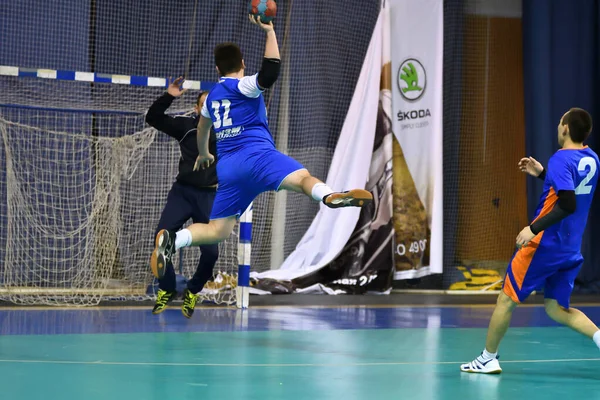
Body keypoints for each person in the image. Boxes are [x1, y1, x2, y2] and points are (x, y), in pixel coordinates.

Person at [149, 15, 373, 295]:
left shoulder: (214, 96)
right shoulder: (242, 85)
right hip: (258, 156)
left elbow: (203, 129)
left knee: (217, 230)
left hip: (229, 169)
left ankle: (173, 241)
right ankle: (328, 196)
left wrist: (205, 154)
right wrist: (269, 32)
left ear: (217, 68)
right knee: (303, 178)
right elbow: (270, 73)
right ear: (242, 64)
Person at [461, 108, 600, 374]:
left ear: (566, 128)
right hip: (569, 247)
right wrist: (542, 173)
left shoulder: (562, 159)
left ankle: (488, 358)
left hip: (545, 244)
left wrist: (532, 229)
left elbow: (567, 203)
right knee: (555, 308)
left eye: (561, 121)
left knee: (506, 299)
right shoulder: (592, 158)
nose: (558, 124)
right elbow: (570, 190)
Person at [145, 78, 218, 318]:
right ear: (197, 110)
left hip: (208, 197)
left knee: (211, 254)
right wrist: (170, 95)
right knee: (161, 240)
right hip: (183, 193)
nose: (209, 108)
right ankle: (166, 288)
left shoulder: (230, 133)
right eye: (204, 105)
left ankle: (192, 291)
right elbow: (153, 118)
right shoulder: (186, 125)